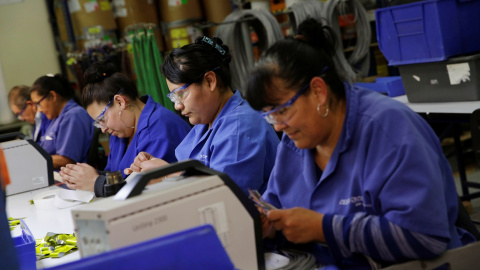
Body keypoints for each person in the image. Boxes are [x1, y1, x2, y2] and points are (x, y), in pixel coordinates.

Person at [243, 19, 476, 268]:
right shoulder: (295, 143)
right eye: (269, 115)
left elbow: (425, 236)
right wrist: (269, 226)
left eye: (282, 111)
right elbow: (278, 210)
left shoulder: (388, 128)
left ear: (318, 91)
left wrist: (324, 228)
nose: (277, 126)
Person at [125, 36, 279, 195]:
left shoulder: (240, 128)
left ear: (210, 81)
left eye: (180, 94)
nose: (178, 106)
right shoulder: (206, 123)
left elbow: (224, 198)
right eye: (173, 98)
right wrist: (157, 168)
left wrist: (167, 174)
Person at [58, 61, 191, 197]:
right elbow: (116, 173)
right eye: (98, 124)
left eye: (102, 120)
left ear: (120, 102)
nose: (103, 129)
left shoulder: (159, 130)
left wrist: (96, 182)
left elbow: (146, 190)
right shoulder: (121, 133)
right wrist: (84, 176)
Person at [30, 74, 93, 169]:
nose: (39, 110)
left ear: (52, 96)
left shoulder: (73, 115)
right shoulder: (55, 117)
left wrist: (34, 160)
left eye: (38, 104)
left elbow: (67, 160)